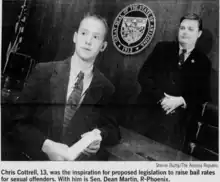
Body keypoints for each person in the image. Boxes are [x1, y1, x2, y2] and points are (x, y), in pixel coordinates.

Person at [10, 13, 120, 161]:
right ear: (75, 37)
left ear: (103, 46)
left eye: (96, 37)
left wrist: (99, 135)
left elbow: (113, 130)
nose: (88, 41)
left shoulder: (107, 88)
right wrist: (45, 145)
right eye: (84, 33)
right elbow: (14, 122)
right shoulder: (43, 72)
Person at [137, 13, 211, 150]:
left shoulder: (203, 62)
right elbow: (143, 75)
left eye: (190, 29)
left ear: (199, 33)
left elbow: (203, 94)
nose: (184, 32)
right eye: (182, 28)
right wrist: (162, 98)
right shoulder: (162, 48)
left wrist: (181, 100)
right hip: (146, 115)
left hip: (174, 126)